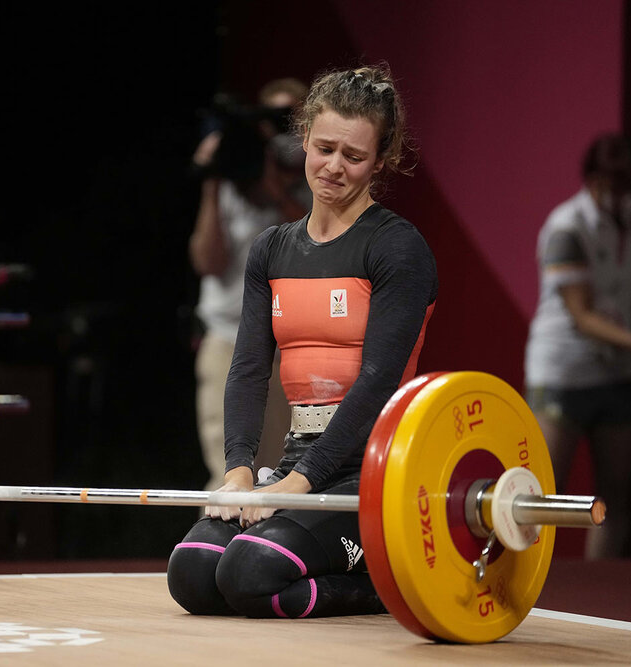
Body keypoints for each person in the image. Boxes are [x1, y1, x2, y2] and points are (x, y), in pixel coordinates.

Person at [168, 64, 438, 618]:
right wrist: (241, 471)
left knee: (249, 571)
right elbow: (247, 369)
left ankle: (396, 588)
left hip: (372, 469)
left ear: (381, 160)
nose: (334, 167)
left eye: (355, 157)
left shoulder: (397, 249)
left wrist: (300, 482)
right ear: (305, 138)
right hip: (299, 456)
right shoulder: (271, 249)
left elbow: (378, 380)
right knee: (193, 572)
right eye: (324, 148)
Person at [523, 134, 631, 559]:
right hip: (564, 372)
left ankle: (602, 593)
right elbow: (583, 316)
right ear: (593, 177)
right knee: (545, 494)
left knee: (613, 496)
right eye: (613, 175)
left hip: (620, 374)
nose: (623, 184)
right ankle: (535, 588)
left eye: (629, 176)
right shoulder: (566, 227)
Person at [189, 78, 311, 490]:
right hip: (227, 339)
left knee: (277, 473)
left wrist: (277, 192)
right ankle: (215, 553)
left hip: (287, 347)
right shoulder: (230, 184)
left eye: (288, 121)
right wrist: (213, 178)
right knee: (227, 473)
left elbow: (315, 252)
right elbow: (207, 262)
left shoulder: (316, 187)